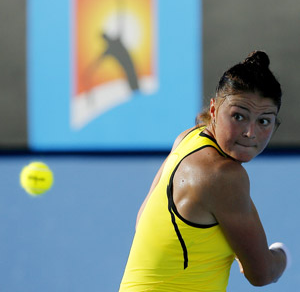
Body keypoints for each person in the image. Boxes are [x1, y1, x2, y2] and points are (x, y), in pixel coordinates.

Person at [119, 51, 290, 291]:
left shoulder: (188, 138)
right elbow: (262, 274)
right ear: (213, 110)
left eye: (263, 121)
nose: (250, 132)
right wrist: (282, 254)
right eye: (239, 116)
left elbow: (144, 219)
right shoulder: (223, 176)